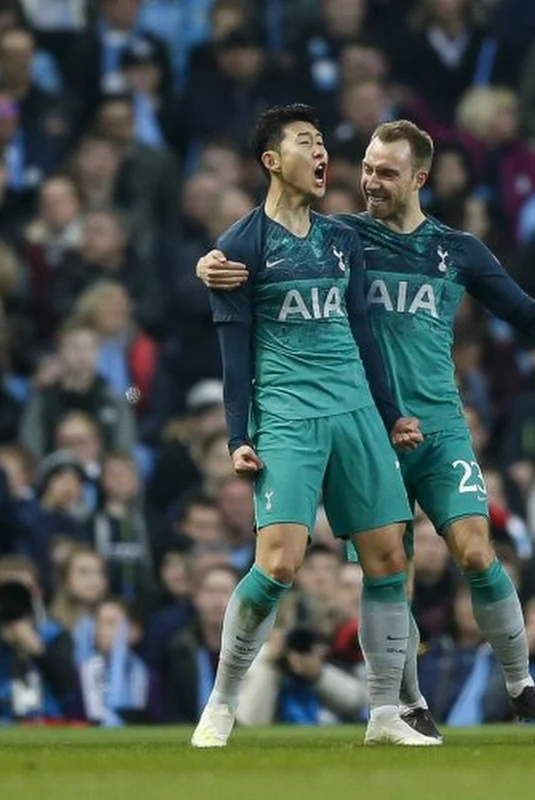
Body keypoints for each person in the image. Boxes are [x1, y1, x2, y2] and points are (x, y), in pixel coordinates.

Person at [198, 119, 535, 740]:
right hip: (371, 423)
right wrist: (212, 263)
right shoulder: (344, 237)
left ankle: (520, 686)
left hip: (441, 425)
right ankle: (406, 702)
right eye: (367, 168)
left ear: (420, 179)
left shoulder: (457, 251)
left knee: (477, 550)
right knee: (389, 565)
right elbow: (265, 243)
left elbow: (522, 311)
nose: (370, 181)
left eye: (386, 173)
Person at [188, 104, 435, 748]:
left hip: (355, 412)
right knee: (279, 565)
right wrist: (238, 435)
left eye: (323, 142)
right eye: (306, 142)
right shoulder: (242, 246)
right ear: (272, 161)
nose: (322, 152)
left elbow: (362, 332)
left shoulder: (341, 238)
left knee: (387, 560)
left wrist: (389, 414)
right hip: (290, 416)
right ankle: (221, 703)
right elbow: (233, 353)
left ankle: (385, 715)